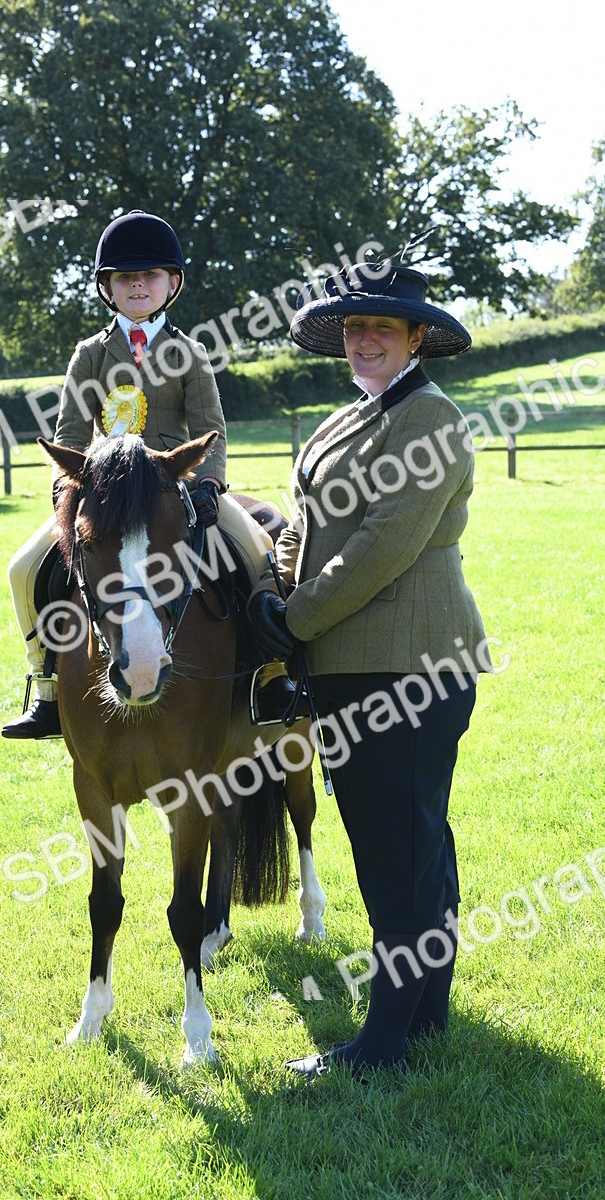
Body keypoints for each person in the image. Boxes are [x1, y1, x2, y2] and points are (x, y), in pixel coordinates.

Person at [249, 258, 491, 1077]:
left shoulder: (429, 418)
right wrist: (276, 588)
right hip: (354, 665)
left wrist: (297, 617)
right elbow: (308, 523)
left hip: (408, 667)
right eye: (354, 328)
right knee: (416, 844)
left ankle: (384, 1040)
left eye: (381, 327)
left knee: (399, 852)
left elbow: (383, 545)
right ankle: (424, 1015)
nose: (363, 340)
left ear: (417, 337)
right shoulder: (343, 420)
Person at [2, 209, 274, 738]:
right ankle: (47, 688)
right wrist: (68, 493)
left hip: (176, 487)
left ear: (171, 283)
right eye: (126, 277)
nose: (138, 285)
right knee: (22, 568)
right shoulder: (89, 355)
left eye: (149, 276)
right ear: (108, 286)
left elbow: (210, 427)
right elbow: (71, 433)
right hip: (106, 493)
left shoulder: (190, 353)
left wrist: (209, 485)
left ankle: (271, 677)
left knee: (258, 551)